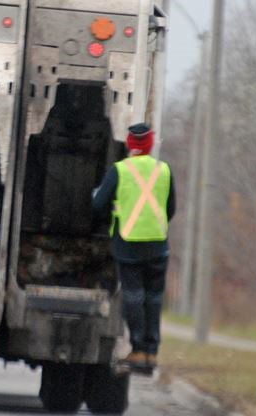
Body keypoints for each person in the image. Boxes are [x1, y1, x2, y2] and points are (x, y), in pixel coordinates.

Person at [92, 123, 176, 374]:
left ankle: (138, 349)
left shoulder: (120, 171)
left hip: (128, 245)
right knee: (153, 298)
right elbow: (171, 209)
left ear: (130, 144)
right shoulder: (164, 170)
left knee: (133, 297)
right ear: (150, 145)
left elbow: (98, 205)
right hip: (158, 245)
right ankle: (151, 353)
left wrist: (111, 219)